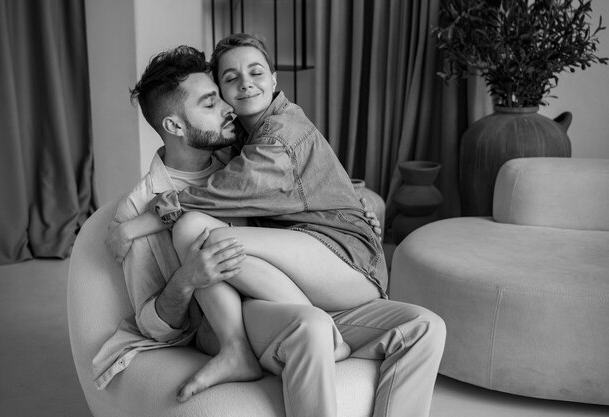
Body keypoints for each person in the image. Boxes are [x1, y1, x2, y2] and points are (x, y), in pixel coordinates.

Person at [103, 41, 446, 417]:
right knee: (307, 322)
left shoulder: (242, 153)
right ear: (173, 124)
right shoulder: (137, 207)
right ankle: (243, 351)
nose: (227, 107)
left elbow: (307, 185)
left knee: (426, 325)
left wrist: (355, 210)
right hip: (245, 316)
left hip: (306, 289)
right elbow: (153, 327)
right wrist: (187, 279)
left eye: (220, 97)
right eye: (210, 101)